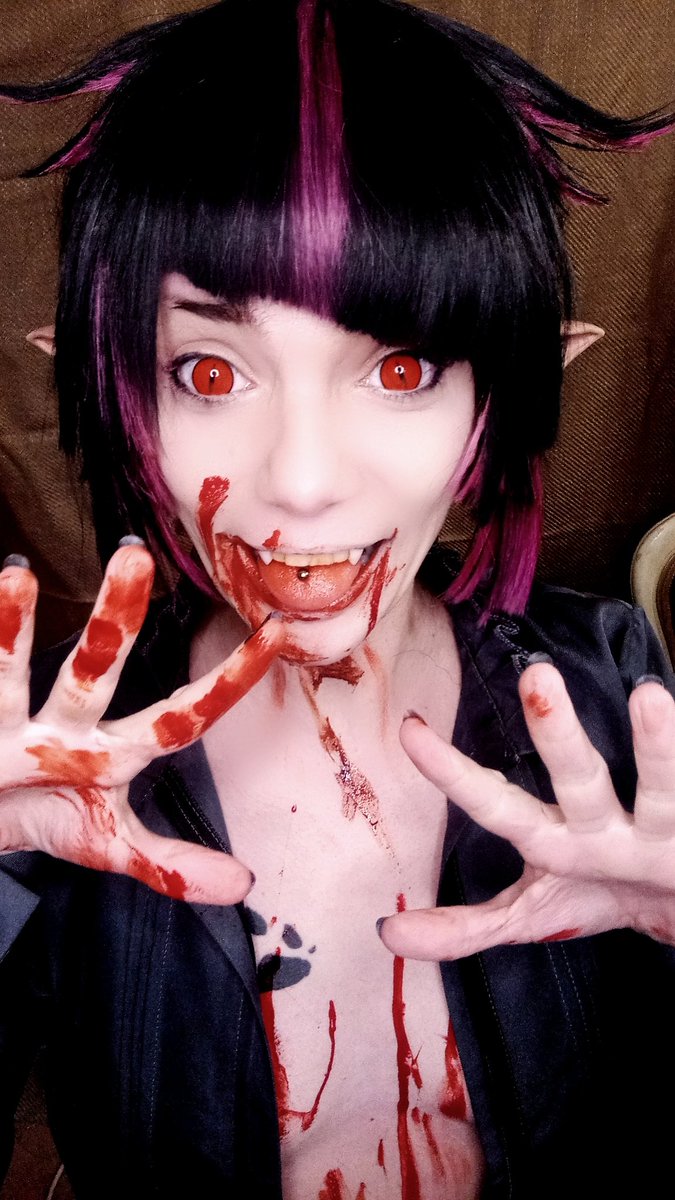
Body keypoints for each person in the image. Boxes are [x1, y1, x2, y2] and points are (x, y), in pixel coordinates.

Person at [1, 1, 674, 1196]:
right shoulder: (46, 769)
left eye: (401, 366)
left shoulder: (620, 699)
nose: (302, 481)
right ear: (116, 394)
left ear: (505, 394)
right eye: (210, 371)